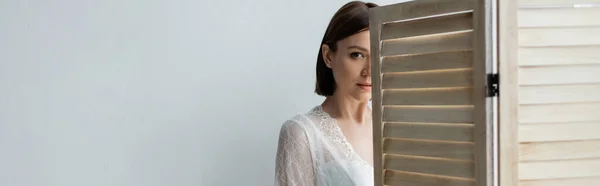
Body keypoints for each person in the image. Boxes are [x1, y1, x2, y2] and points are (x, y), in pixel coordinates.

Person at [275, 1, 378, 185]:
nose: (369, 71)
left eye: (379, 55)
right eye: (357, 55)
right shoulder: (302, 134)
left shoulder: (392, 128)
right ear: (328, 56)